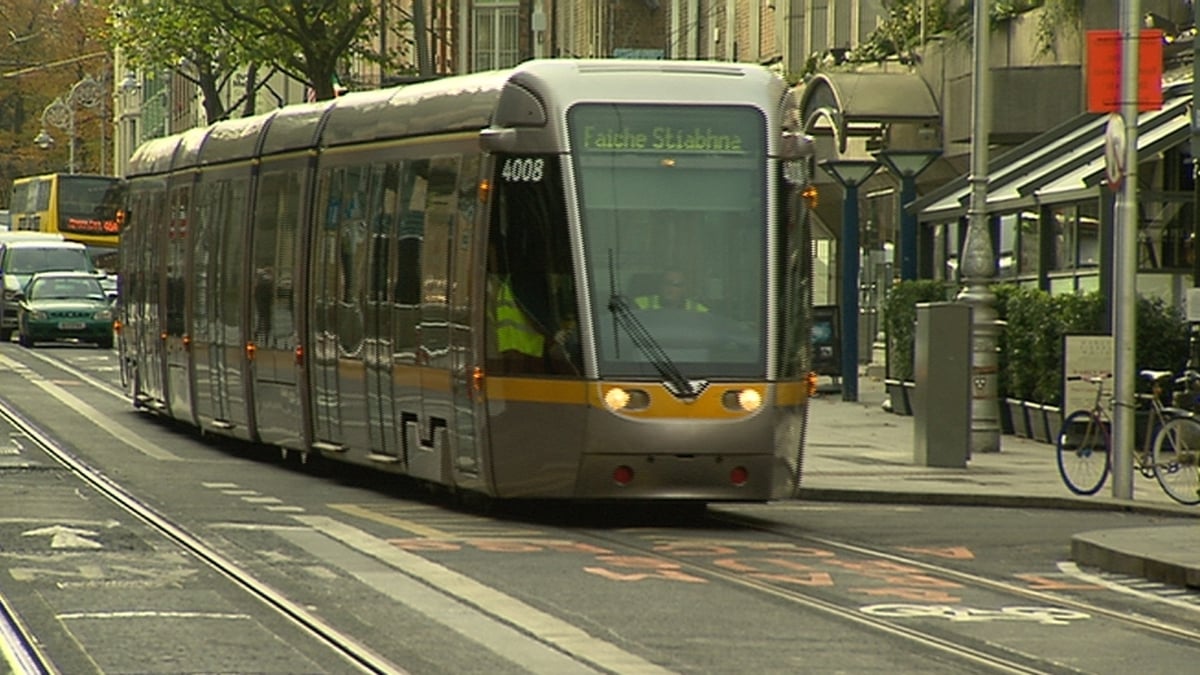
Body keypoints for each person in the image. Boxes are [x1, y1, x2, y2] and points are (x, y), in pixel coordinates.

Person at [635, 270, 708, 312]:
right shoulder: (639, 304)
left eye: (676, 285)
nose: (670, 288)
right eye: (667, 283)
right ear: (660, 285)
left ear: (684, 289)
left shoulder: (699, 310)